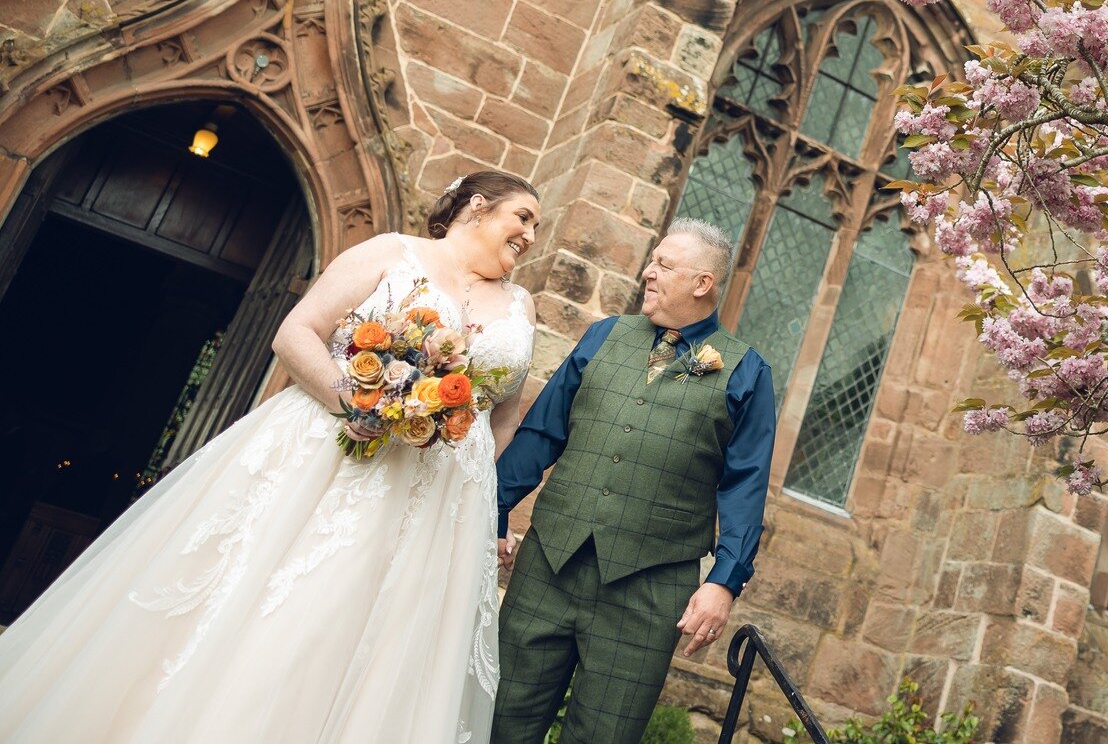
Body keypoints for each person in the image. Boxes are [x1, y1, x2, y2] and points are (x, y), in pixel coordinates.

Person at [0, 170, 541, 743]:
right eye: (523, 217)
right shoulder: (392, 253)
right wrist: (353, 403)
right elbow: (296, 333)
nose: (531, 235)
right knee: (290, 608)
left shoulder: (520, 305)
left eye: (536, 226)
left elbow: (502, 413)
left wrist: (472, 485)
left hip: (438, 497)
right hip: (333, 458)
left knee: (386, 638)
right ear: (478, 206)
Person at [492, 217, 775, 744]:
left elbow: (745, 486)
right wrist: (493, 511)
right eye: (652, 260)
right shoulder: (603, 335)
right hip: (550, 564)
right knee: (500, 721)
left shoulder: (746, 371)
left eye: (664, 265)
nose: (648, 272)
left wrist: (724, 581)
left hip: (649, 590)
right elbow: (540, 434)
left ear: (701, 283)